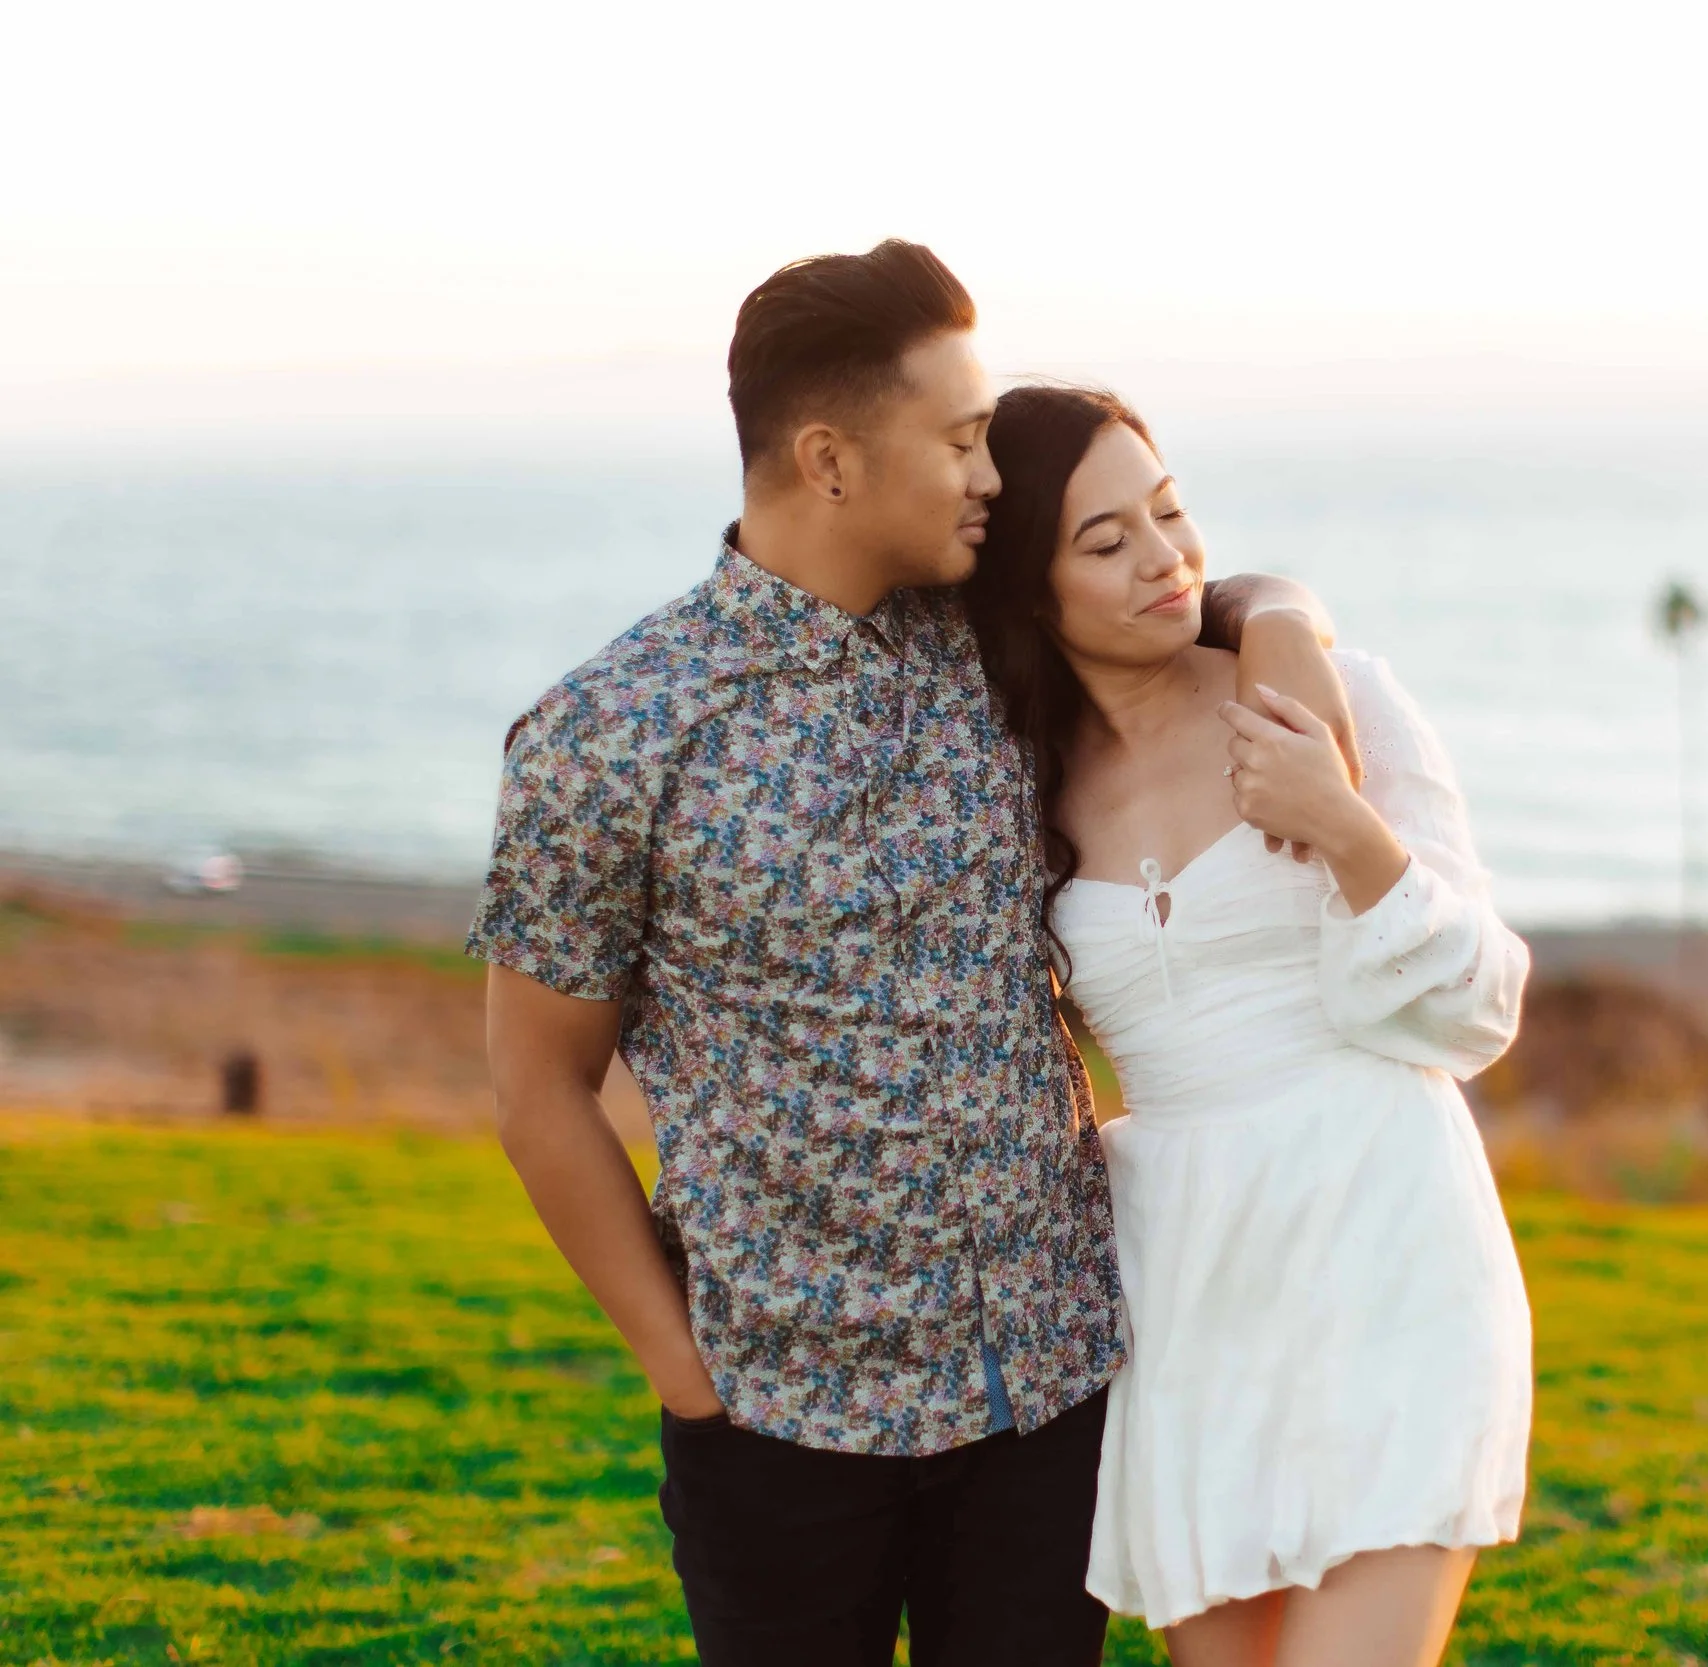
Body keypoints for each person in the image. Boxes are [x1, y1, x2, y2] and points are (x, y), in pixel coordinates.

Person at [469, 241, 1353, 1667]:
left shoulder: (993, 641)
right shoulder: (610, 733)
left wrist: (1287, 615)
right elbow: (538, 1088)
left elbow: (1159, 582)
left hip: (1050, 1393)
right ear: (828, 458)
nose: (990, 474)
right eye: (959, 440)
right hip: (780, 1417)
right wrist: (682, 1373)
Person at [963, 384, 1534, 1666]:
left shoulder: (1333, 701)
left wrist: (1342, 822)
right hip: (1185, 1286)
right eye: (1103, 542)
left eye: (1169, 514)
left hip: (1385, 1245)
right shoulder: (1017, 785)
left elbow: (1480, 1009)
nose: (1164, 560)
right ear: (1024, 592)